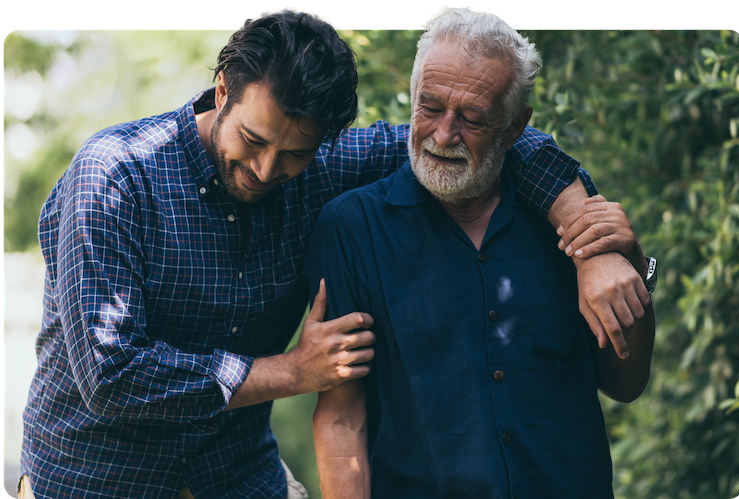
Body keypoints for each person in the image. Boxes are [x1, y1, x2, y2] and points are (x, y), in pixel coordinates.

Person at [19, 8, 648, 499]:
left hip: (237, 481)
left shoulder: (323, 166)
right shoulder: (112, 178)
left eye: (293, 153)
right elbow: (110, 375)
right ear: (221, 92)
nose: (267, 169)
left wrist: (587, 238)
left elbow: (500, 141)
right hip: (94, 481)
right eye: (253, 139)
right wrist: (294, 372)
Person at [305, 8, 656, 498]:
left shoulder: (569, 222)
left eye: (472, 119)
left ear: (515, 128)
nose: (444, 135)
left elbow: (626, 384)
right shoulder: (352, 227)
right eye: (429, 108)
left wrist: (631, 267)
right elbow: (343, 414)